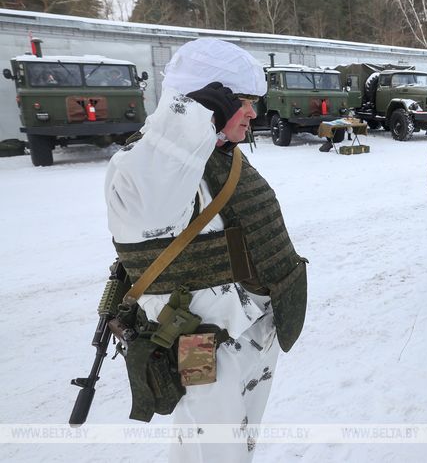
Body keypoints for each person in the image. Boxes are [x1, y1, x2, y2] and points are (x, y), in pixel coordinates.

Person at [104, 38, 308, 463]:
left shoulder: (213, 154)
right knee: (212, 449)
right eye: (243, 101)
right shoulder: (146, 167)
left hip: (248, 332)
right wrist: (190, 116)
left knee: (233, 444)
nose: (253, 113)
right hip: (196, 346)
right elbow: (158, 188)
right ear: (208, 102)